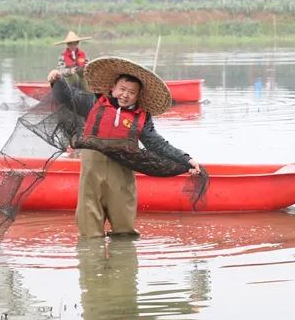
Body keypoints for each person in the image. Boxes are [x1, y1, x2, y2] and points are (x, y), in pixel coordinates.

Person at [48, 57, 201, 238]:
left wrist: (186, 159)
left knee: (124, 230)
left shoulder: (142, 118)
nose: (125, 95)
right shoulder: (93, 103)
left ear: (138, 96)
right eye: (122, 89)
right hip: (91, 176)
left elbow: (157, 144)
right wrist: (56, 81)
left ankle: (124, 262)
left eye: (132, 92)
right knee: (89, 232)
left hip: (121, 179)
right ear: (112, 88)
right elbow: (68, 97)